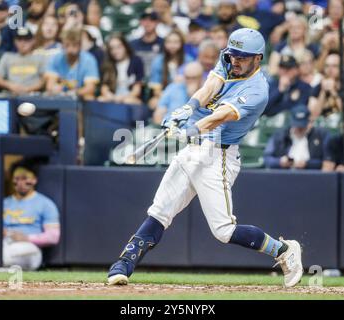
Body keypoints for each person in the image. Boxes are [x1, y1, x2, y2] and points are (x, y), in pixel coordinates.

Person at [108, 28, 303, 288]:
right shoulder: (228, 60)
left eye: (243, 57)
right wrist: (189, 106)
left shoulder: (257, 90)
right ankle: (124, 263)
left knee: (223, 231)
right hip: (193, 150)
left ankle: (283, 251)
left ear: (258, 58)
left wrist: (192, 127)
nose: (235, 60)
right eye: (234, 55)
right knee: (160, 211)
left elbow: (220, 116)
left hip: (218, 155)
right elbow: (211, 85)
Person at [3, 160, 60, 271]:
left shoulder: (45, 204)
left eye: (25, 178)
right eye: (17, 178)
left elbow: (53, 237)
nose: (20, 183)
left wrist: (27, 238)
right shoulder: (4, 203)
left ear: (34, 180)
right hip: (4, 243)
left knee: (9, 255)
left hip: (29, 248)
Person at [264, 104, 329, 169]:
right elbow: (267, 158)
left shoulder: (320, 135)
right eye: (297, 126)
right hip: (284, 174)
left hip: (311, 174)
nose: (299, 129)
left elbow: (327, 161)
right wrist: (280, 161)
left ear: (309, 122)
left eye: (302, 126)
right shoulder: (280, 136)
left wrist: (307, 163)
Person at [45, 28, 99, 100]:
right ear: (63, 44)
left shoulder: (89, 60)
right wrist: (54, 89)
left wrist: (74, 93)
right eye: (67, 45)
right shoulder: (56, 58)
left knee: (89, 97)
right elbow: (50, 85)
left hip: (80, 100)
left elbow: (90, 88)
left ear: (80, 45)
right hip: (59, 99)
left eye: (74, 45)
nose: (70, 49)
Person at [0, 27, 46, 95]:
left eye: (26, 39)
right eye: (19, 40)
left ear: (33, 41)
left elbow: (44, 79)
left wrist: (28, 89)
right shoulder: (7, 56)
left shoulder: (40, 57)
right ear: (15, 41)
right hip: (10, 94)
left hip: (33, 95)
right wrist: (10, 86)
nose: (23, 43)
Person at [148, 30, 193, 110]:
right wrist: (168, 97)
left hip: (184, 95)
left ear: (181, 43)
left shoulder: (189, 60)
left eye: (176, 42)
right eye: (169, 42)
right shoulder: (158, 61)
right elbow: (156, 89)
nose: (172, 45)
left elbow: (192, 86)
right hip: (163, 94)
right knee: (153, 103)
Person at [98, 33, 144, 105]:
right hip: (113, 96)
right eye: (112, 48)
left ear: (125, 46)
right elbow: (104, 87)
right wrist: (111, 96)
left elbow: (137, 89)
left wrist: (123, 98)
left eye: (119, 47)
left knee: (128, 101)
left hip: (130, 96)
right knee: (100, 99)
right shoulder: (108, 63)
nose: (115, 51)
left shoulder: (136, 61)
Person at [130, 8, 164, 77]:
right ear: (141, 22)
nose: (148, 23)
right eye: (144, 19)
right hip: (138, 81)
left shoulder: (164, 43)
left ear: (157, 22)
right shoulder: (133, 44)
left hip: (157, 81)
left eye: (152, 19)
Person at [309, 52, 342, 119]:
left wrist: (333, 91)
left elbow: (341, 111)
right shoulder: (319, 85)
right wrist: (323, 92)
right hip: (323, 124)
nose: (330, 69)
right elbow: (313, 114)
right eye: (327, 66)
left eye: (334, 66)